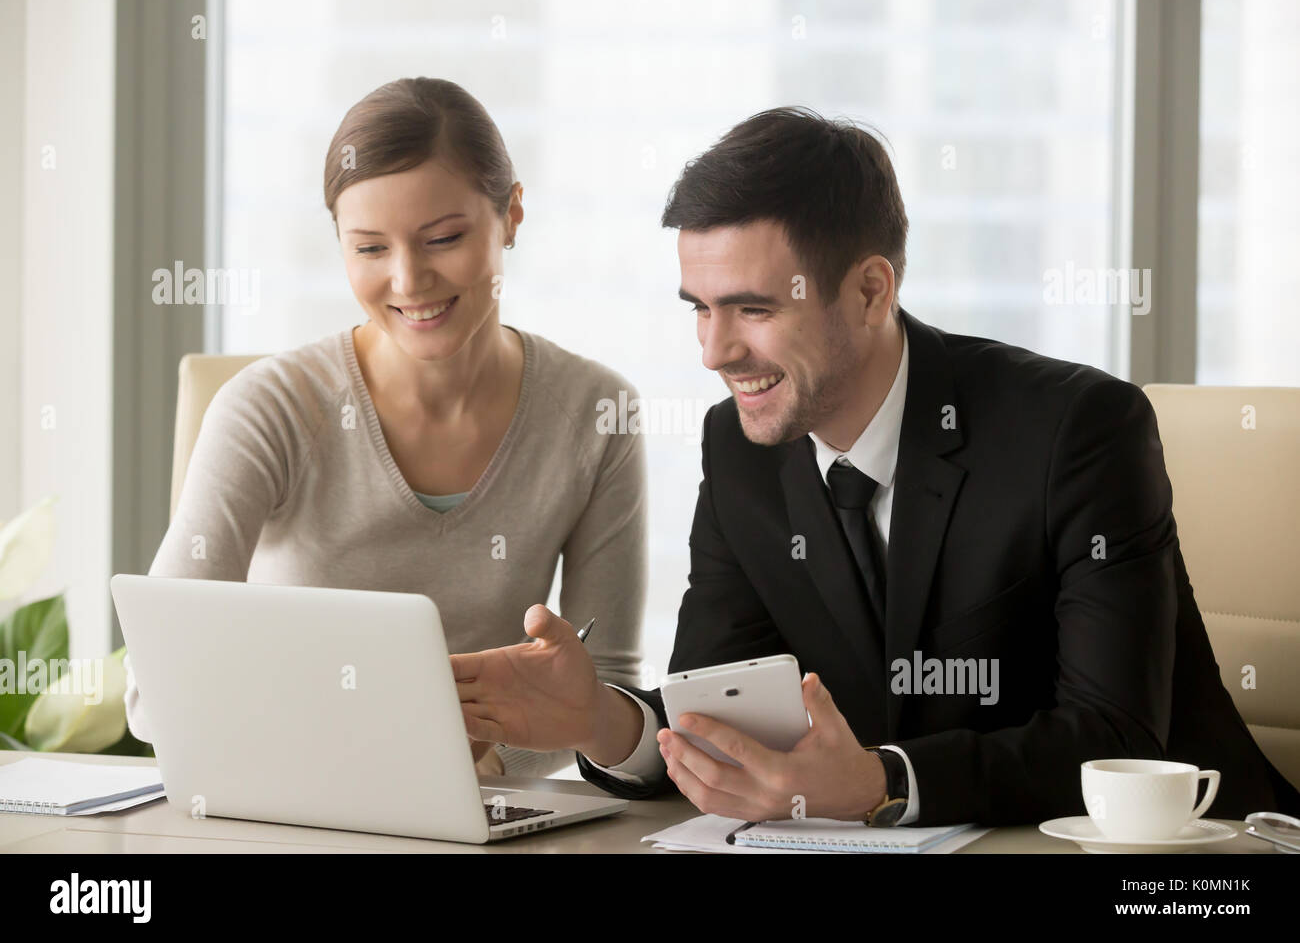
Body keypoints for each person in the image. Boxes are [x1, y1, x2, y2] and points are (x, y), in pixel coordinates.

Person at [451, 107, 1300, 825]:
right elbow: (723, 713)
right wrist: (599, 720)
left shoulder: (1077, 431)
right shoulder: (740, 450)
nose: (714, 351)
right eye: (701, 309)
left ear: (869, 291)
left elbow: (1116, 737)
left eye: (752, 309)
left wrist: (885, 784)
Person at [124, 77, 648, 780]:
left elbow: (602, 694)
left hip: (490, 811)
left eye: (444, 238)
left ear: (512, 215)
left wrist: (476, 778)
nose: (408, 280)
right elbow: (154, 689)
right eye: (370, 249)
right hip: (297, 804)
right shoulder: (270, 409)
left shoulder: (597, 414)